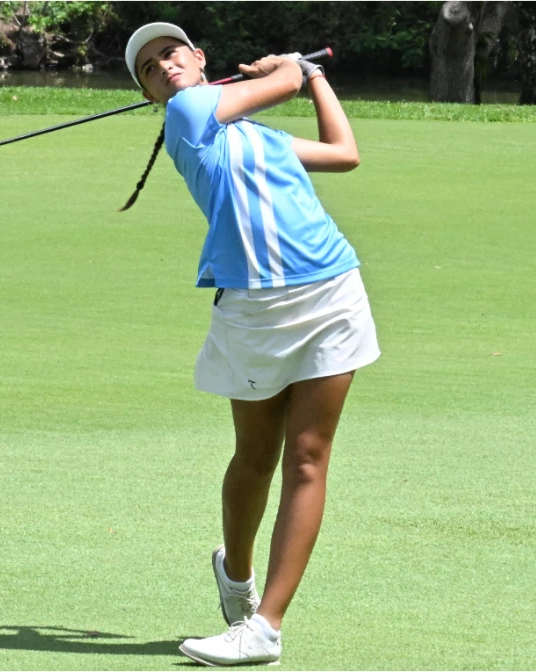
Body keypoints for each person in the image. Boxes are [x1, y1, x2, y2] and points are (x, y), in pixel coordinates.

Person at [122, 23, 381, 667]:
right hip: (252, 310)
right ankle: (234, 576)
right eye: (151, 69)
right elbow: (285, 80)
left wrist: (315, 76)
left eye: (172, 53)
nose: (166, 67)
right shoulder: (186, 117)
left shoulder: (261, 137)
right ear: (153, 94)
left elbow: (344, 152)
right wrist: (293, 66)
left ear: (200, 58)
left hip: (331, 291)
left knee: (308, 458)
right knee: (254, 458)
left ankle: (264, 626)